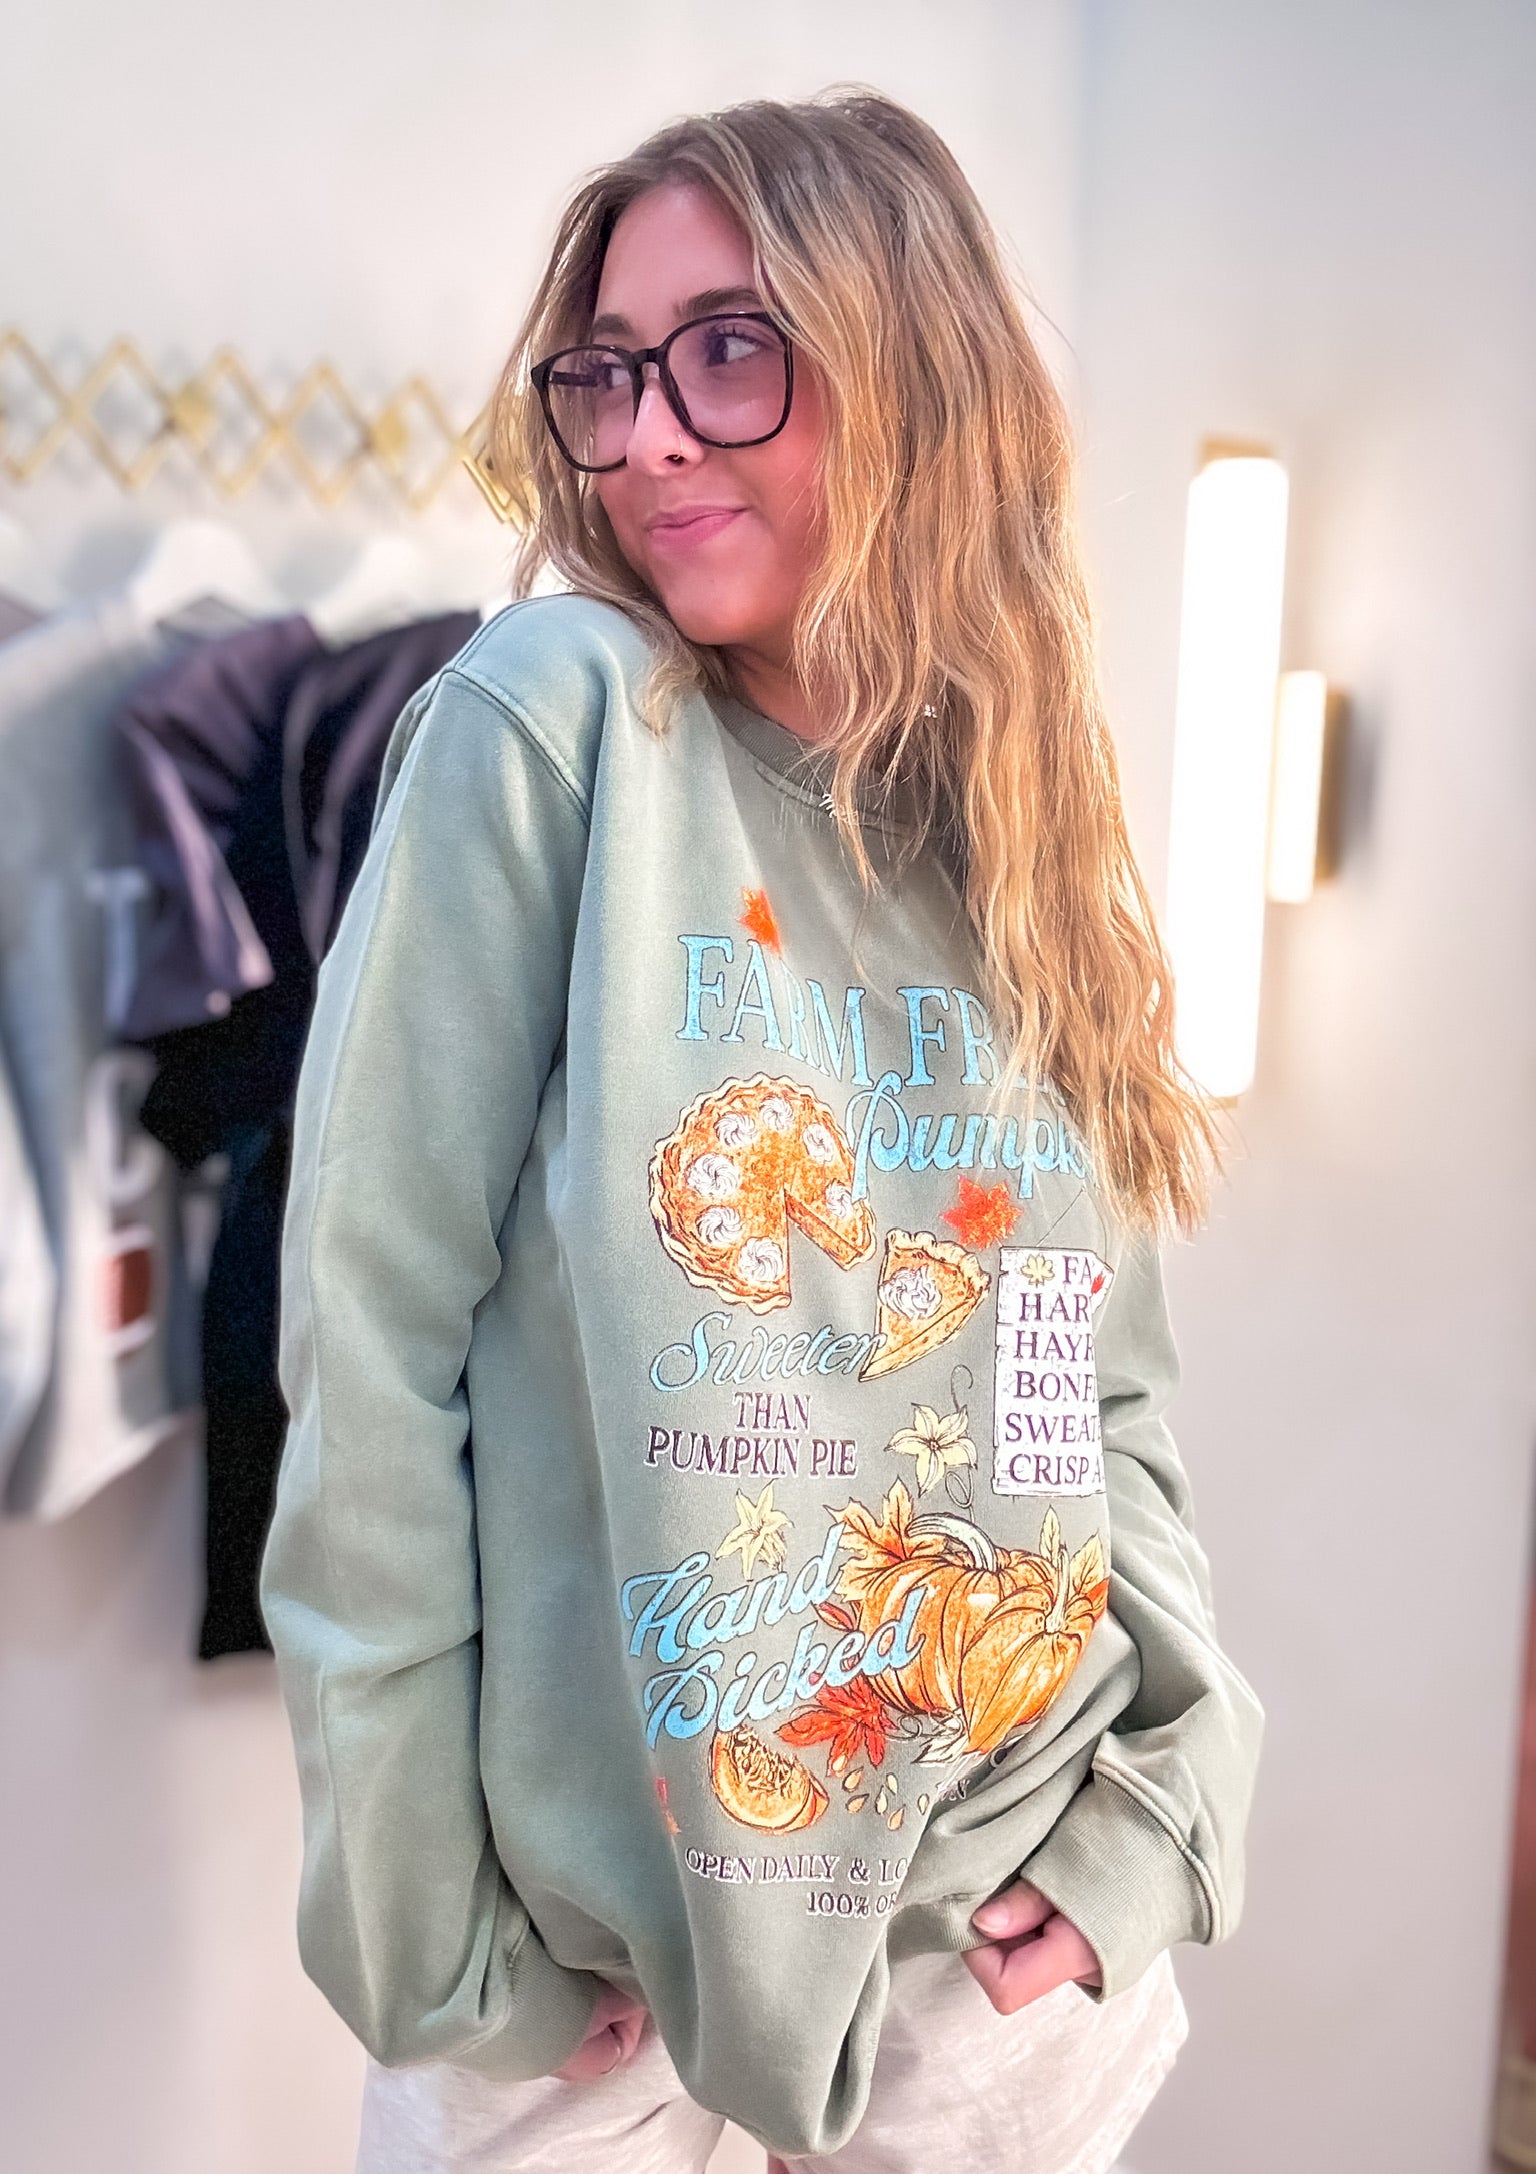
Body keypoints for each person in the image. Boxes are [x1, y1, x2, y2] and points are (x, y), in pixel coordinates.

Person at [260, 88, 1264, 2174]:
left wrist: (1174, 1792)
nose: (645, 438)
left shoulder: (1025, 826)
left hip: (992, 1956)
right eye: (611, 371)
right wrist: (417, 1925)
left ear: (910, 369)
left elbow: (1091, 1380)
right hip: (592, 1991)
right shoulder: (555, 728)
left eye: (729, 352)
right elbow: (368, 1357)